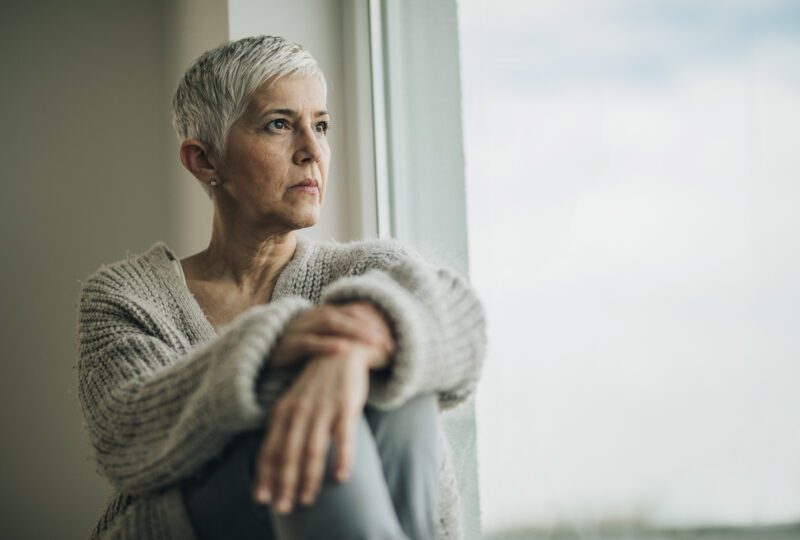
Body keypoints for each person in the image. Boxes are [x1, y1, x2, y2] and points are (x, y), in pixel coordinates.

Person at [76, 35, 486, 540]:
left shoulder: (365, 271)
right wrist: (279, 346)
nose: (312, 151)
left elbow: (465, 325)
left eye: (321, 126)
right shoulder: (125, 296)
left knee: (399, 384)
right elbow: (127, 437)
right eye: (279, 125)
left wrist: (357, 346)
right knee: (326, 424)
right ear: (205, 160)